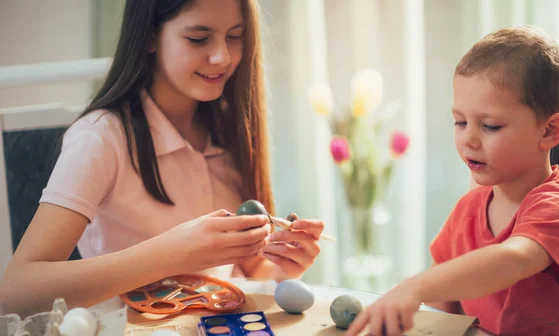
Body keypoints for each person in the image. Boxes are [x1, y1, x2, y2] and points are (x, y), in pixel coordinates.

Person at [0, 0, 323, 317]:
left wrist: (283, 267)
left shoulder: (229, 131)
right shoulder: (100, 139)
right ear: (150, 35)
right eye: (198, 38)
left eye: (235, 36)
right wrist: (174, 254)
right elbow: (15, 294)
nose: (222, 56)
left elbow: (251, 270)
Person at [340, 26, 559, 336]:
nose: (468, 139)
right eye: (460, 122)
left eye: (489, 125)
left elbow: (512, 259)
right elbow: (447, 306)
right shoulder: (469, 208)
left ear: (550, 131)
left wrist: (414, 286)